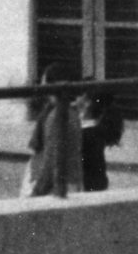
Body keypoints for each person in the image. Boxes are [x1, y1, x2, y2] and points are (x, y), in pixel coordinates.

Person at [23, 63, 83, 197]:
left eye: (45, 81)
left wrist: (37, 192)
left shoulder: (57, 116)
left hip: (54, 186)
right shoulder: (71, 113)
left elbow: (51, 159)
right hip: (69, 182)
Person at [76, 87, 124, 192]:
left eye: (80, 96)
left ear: (87, 103)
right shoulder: (95, 130)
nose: (76, 98)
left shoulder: (87, 132)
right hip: (97, 182)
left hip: (87, 185)